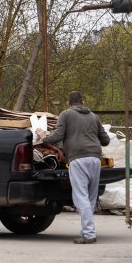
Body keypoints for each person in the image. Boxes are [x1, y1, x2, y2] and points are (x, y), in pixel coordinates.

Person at [38, 91, 110, 244]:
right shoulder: (94, 116)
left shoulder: (66, 114)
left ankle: (89, 234)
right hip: (96, 158)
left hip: (78, 158)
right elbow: (105, 140)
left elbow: (58, 136)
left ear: (68, 102)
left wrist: (43, 136)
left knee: (80, 196)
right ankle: (87, 231)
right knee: (90, 197)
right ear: (82, 101)